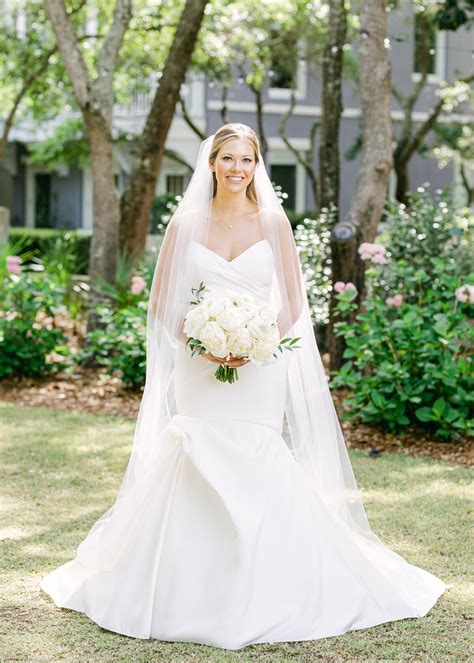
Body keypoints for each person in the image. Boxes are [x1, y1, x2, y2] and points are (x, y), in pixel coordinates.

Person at [40, 123, 446, 650]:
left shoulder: (273, 222)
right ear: (211, 163)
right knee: (197, 453)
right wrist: (201, 343)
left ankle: (269, 581)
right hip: (198, 365)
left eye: (247, 160)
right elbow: (162, 300)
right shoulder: (187, 223)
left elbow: (293, 304)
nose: (237, 168)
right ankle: (184, 586)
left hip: (257, 367)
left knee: (257, 458)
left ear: (257, 166)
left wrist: (253, 343)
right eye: (227, 158)